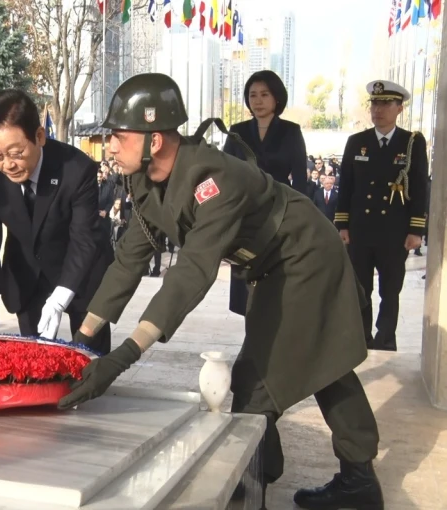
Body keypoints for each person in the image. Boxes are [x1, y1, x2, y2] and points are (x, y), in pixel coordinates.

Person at [58, 73, 382, 510]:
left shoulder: (214, 179)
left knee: (259, 380)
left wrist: (126, 355)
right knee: (325, 363)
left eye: (119, 136)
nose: (110, 147)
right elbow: (129, 261)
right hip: (270, 264)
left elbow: (192, 271)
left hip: (304, 255)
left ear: (155, 139)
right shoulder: (146, 180)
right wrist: (81, 341)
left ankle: (253, 485)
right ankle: (357, 482)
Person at [0, 89, 113, 353]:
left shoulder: (76, 168)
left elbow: (83, 238)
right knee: (33, 359)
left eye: (16, 153)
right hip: (27, 277)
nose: (7, 165)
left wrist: (59, 300)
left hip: (82, 273)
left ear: (39, 136)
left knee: (91, 359)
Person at [335, 80, 428, 352]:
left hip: (393, 231)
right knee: (360, 289)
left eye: (386, 104)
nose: (378, 109)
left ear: (400, 108)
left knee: (390, 289)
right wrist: (342, 224)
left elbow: (419, 187)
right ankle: (361, 338)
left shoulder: (411, 143)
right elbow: (346, 186)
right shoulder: (357, 142)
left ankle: (385, 339)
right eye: (375, 103)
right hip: (361, 230)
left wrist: (416, 230)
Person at [223, 70, 309, 316]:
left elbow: (300, 180)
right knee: (245, 285)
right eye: (253, 95)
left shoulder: (291, 131)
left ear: (277, 98)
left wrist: (298, 218)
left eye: (264, 94)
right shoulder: (237, 131)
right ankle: (251, 333)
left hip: (279, 214)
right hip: (244, 216)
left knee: (275, 284)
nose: (258, 101)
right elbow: (224, 174)